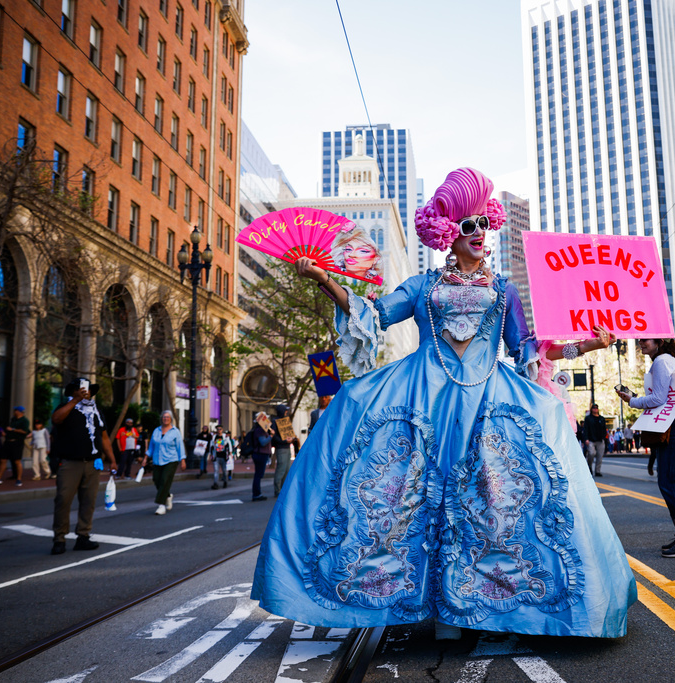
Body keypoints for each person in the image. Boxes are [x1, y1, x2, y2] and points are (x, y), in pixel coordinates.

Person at [253, 167, 638, 639]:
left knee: (493, 502)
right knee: (405, 500)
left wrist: (590, 346)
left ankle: (484, 604)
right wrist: (321, 279)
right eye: (469, 226)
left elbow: (528, 348)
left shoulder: (504, 290)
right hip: (421, 399)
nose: (480, 234)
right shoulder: (420, 286)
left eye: (484, 224)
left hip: (488, 402)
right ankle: (413, 604)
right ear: (449, 234)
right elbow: (372, 314)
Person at [618, 339, 675, 556]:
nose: (641, 343)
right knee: (670, 479)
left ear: (659, 341)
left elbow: (658, 398)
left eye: (645, 339)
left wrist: (633, 400)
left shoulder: (662, 361)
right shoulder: (667, 360)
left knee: (670, 480)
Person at [50, 378, 116, 555]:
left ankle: (83, 536)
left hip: (93, 463)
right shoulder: (66, 407)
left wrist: (113, 460)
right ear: (73, 391)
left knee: (89, 501)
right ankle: (59, 538)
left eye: (87, 390)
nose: (85, 393)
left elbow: (104, 438)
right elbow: (56, 419)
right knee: (63, 500)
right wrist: (75, 400)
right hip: (70, 463)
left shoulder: (96, 411)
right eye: (80, 390)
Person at [148, 410, 185, 514]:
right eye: (164, 417)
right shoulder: (156, 431)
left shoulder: (175, 431)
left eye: (168, 417)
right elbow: (151, 446)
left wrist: (182, 460)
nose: (165, 419)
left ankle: (161, 505)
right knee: (156, 479)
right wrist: (146, 457)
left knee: (164, 480)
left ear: (171, 419)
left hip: (171, 460)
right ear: (161, 418)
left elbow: (180, 446)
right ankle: (168, 496)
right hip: (157, 459)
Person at [271, 404, 297, 497]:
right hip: (281, 448)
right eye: (285, 410)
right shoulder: (275, 422)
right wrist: (284, 440)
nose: (286, 412)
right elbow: (274, 437)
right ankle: (277, 490)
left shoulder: (285, 421)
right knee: (281, 470)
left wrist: (291, 438)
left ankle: (283, 490)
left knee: (287, 470)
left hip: (287, 447)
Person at [248, 412, 273, 502]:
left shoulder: (261, 430)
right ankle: (256, 494)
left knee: (258, 475)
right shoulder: (259, 430)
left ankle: (257, 493)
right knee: (258, 475)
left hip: (261, 454)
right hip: (260, 454)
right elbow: (263, 442)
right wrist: (271, 436)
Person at [1, 407, 29, 486]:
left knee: (17, 461)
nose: (14, 412)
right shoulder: (13, 419)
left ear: (19, 412)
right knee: (3, 459)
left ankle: (19, 479)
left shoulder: (24, 421)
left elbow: (24, 431)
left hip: (17, 443)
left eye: (15, 410)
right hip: (8, 441)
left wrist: (12, 429)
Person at [583, 404, 608, 477]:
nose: (595, 409)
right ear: (591, 409)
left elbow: (604, 429)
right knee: (591, 453)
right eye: (594, 408)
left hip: (600, 439)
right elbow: (586, 429)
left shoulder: (602, 419)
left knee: (600, 456)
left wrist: (604, 438)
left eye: (596, 408)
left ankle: (597, 470)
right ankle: (589, 466)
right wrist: (586, 438)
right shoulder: (588, 418)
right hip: (591, 439)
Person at [210, 424, 233, 490]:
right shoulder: (214, 437)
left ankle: (225, 482)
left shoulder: (225, 437)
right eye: (218, 429)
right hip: (216, 456)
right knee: (216, 470)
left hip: (223, 456)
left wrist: (230, 452)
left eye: (220, 429)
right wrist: (211, 453)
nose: (219, 430)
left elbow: (229, 444)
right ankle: (215, 484)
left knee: (224, 470)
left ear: (222, 430)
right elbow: (211, 446)